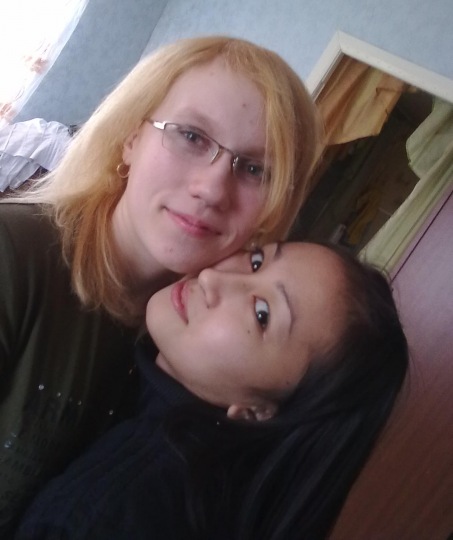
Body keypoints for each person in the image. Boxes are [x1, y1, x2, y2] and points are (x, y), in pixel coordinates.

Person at [0, 36, 324, 534]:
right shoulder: (12, 257)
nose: (212, 189)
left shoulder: (199, 347)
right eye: (191, 136)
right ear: (131, 137)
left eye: (254, 169)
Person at [15, 241, 409, 540]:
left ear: (258, 411)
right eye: (257, 260)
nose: (212, 279)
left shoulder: (109, 509)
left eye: (262, 313)